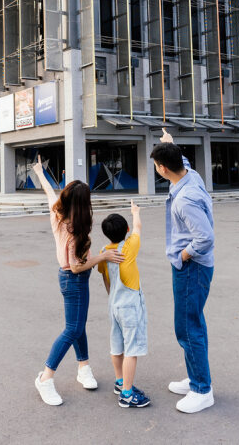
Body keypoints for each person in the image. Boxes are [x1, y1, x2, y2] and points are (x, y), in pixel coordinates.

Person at [30, 156, 123, 406]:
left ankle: (84, 367)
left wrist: (40, 172)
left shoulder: (57, 212)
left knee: (78, 325)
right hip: (74, 279)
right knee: (72, 329)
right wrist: (103, 256)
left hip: (70, 279)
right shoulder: (73, 230)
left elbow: (49, 191)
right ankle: (45, 377)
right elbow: (76, 266)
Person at [152, 129, 216, 414]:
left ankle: (202, 389)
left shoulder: (185, 199)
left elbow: (205, 238)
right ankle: (195, 378)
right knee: (191, 324)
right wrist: (169, 143)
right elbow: (183, 161)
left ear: (163, 169)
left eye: (157, 165)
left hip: (192, 267)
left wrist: (183, 255)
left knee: (188, 327)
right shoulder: (190, 175)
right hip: (193, 267)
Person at [96, 204, 150, 408]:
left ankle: (120, 381)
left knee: (117, 344)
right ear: (126, 229)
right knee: (131, 349)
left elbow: (106, 278)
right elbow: (138, 227)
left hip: (114, 304)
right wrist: (136, 212)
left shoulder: (104, 252)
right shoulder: (128, 248)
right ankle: (127, 393)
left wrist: (112, 296)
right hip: (130, 306)